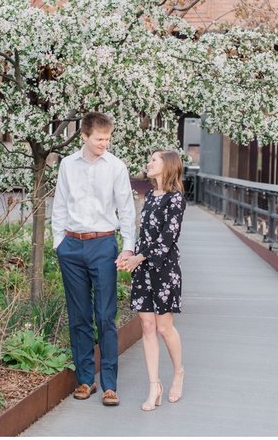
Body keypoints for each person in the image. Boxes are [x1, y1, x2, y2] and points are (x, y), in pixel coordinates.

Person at [51, 112, 135, 406]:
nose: (105, 144)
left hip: (103, 245)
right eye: (100, 139)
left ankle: (109, 384)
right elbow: (60, 204)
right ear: (85, 136)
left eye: (108, 139)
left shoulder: (115, 167)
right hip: (71, 247)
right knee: (79, 317)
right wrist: (58, 243)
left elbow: (126, 209)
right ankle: (86, 380)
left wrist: (128, 247)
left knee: (104, 316)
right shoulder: (67, 165)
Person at [124, 150, 186, 411]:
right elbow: (144, 234)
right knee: (147, 327)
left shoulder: (176, 199)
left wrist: (139, 258)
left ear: (168, 166)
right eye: (148, 159)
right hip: (143, 268)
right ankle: (154, 386)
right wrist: (130, 257)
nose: (148, 163)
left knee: (164, 328)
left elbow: (166, 239)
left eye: (154, 160)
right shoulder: (150, 196)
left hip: (164, 269)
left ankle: (179, 373)